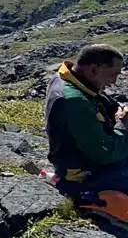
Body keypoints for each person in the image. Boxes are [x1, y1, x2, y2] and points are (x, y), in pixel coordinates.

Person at [45, 43, 128, 200]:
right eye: (113, 74)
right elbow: (106, 154)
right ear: (94, 70)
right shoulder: (74, 100)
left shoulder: (70, 79)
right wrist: (123, 125)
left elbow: (105, 103)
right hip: (82, 174)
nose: (115, 81)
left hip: (82, 157)